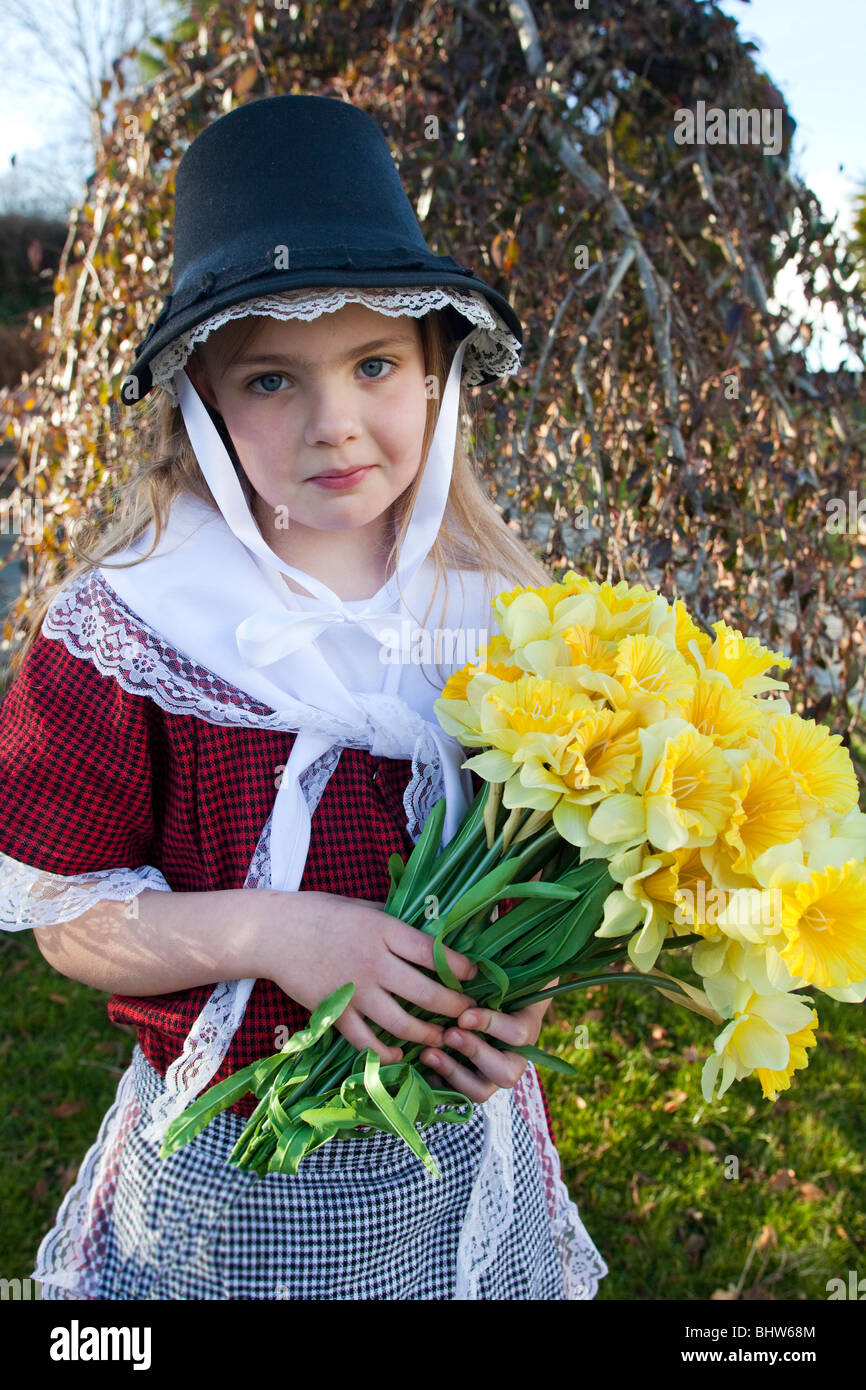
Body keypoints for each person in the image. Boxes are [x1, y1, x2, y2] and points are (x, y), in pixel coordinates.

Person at [0, 94, 608, 1300]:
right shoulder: (132, 626)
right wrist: (277, 933)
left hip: (454, 1161)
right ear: (205, 406)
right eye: (272, 379)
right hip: (227, 1164)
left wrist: (516, 989)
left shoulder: (505, 618)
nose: (334, 424)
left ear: (437, 377)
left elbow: (545, 858)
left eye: (374, 364)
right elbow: (67, 915)